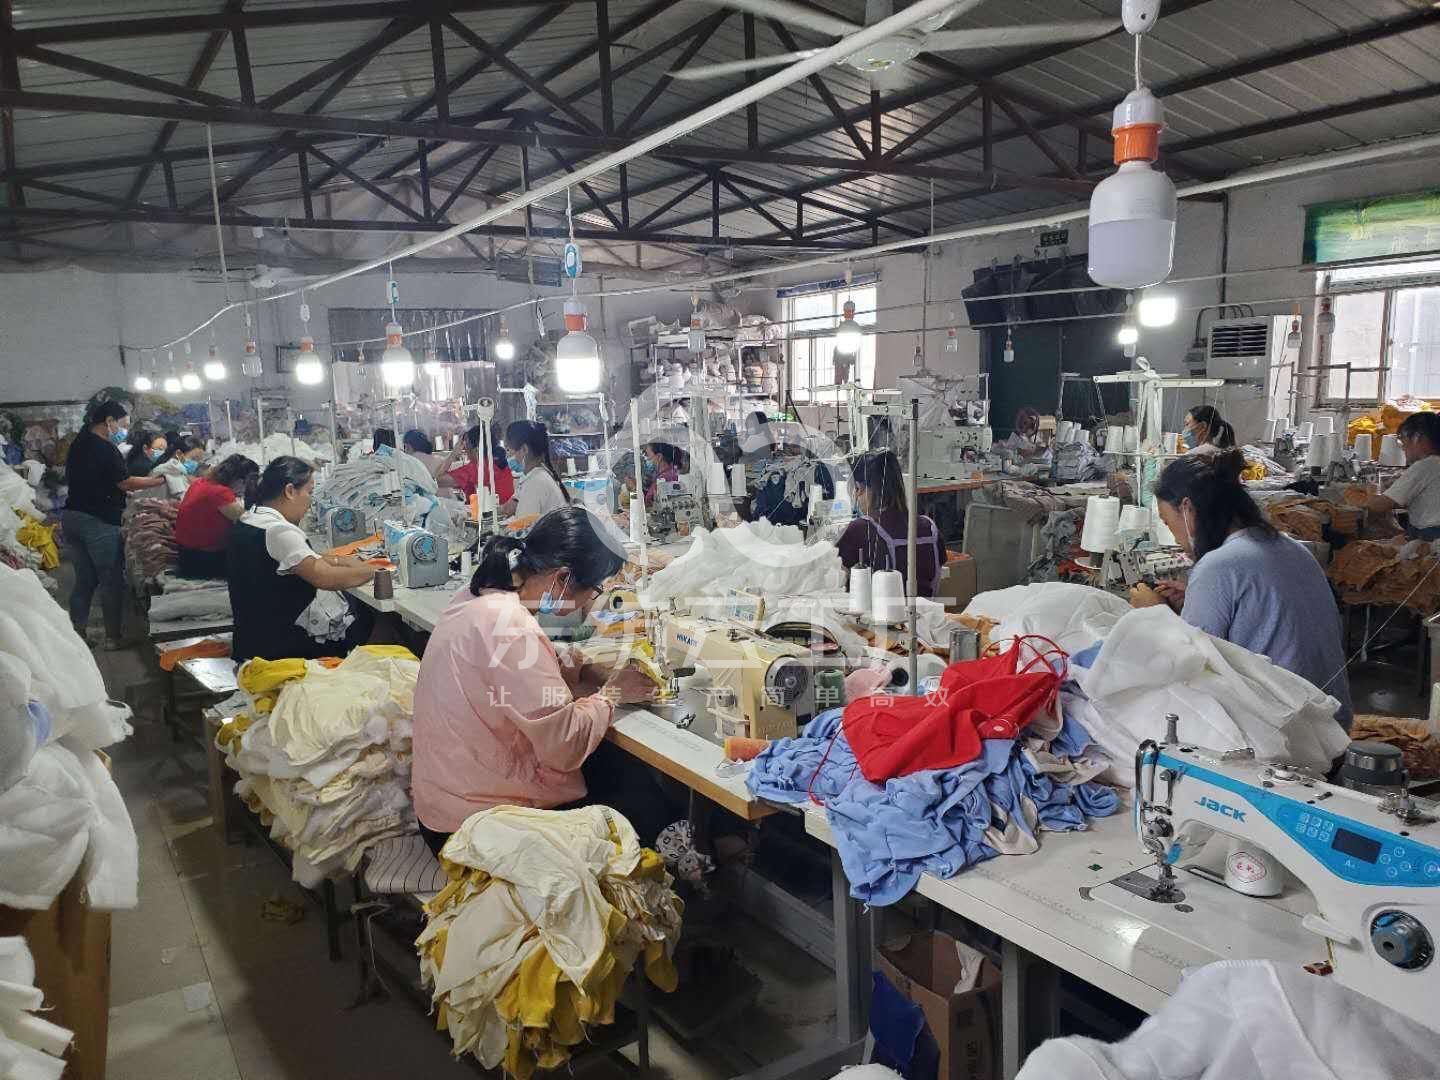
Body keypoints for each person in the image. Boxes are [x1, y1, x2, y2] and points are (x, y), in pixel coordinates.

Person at [411, 506, 660, 855]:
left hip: (446, 801)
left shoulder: (477, 596)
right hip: (472, 828)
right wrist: (613, 694)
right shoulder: (512, 626)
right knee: (640, 797)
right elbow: (563, 746)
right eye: (593, 589)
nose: (590, 599)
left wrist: (581, 668)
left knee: (612, 767)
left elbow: (520, 671)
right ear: (563, 577)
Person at [1144, 450, 1353, 729]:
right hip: (1333, 723)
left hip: (1289, 736)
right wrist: (1195, 599)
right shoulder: (1292, 547)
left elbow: (1189, 667)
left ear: (1187, 509)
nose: (1174, 537)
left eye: (1168, 522)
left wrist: (1154, 613)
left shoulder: (1219, 566)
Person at [227, 456, 375, 664]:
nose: (311, 501)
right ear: (290, 491)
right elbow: (325, 578)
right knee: (375, 619)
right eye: (309, 492)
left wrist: (339, 561)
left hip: (252, 640)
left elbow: (308, 559)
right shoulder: (279, 531)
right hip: (282, 648)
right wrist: (375, 571)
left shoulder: (251, 519)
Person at [64, 399, 166, 645]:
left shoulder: (79, 443)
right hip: (98, 521)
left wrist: (120, 491)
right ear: (109, 421)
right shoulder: (104, 447)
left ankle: (76, 633)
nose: (123, 430)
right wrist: (160, 480)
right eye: (122, 424)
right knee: (110, 579)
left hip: (72, 517)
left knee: (85, 579)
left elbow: (97, 480)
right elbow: (125, 482)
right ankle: (113, 638)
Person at [837, 449, 943, 597]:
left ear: (858, 488)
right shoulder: (930, 528)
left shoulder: (859, 529)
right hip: (929, 610)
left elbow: (837, 579)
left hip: (880, 612)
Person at [174, 454, 257, 579]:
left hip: (186, 555)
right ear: (240, 481)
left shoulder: (201, 482)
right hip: (203, 561)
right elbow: (249, 522)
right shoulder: (220, 493)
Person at [1363, 412, 1440, 540]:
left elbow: (1378, 506)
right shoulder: (1434, 463)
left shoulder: (1425, 465)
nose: (1403, 447)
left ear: (1417, 437)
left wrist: (1371, 486)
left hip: (1431, 538)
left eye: (1402, 440)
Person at [501, 419, 568, 519]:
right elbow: (510, 507)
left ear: (524, 449)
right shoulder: (536, 475)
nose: (507, 456)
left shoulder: (536, 482)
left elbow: (523, 526)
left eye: (508, 449)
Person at [436, 425, 514, 504]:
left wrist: (454, 453)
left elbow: (437, 481)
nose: (465, 450)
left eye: (466, 445)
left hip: (482, 511)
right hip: (506, 510)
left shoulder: (473, 469)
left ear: (476, 449)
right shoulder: (502, 464)